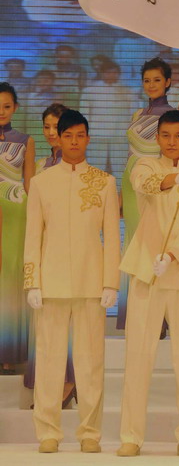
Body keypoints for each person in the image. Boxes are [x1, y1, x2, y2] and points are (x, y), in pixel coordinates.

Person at [117, 110, 179, 458]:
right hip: (146, 271)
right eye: (166, 136)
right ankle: (131, 436)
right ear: (157, 138)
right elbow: (141, 185)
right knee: (138, 355)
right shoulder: (145, 167)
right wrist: (174, 180)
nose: (172, 142)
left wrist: (172, 255)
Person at [23, 109, 121, 453]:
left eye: (81, 135)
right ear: (59, 139)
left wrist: (111, 283)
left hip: (92, 283)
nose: (75, 141)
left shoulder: (105, 181)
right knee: (49, 359)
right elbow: (32, 234)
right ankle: (48, 431)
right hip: (50, 284)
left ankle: (89, 432)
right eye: (69, 136)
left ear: (88, 139)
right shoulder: (41, 182)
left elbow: (112, 235)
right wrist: (32, 281)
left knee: (91, 362)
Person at [24, 103, 77, 409]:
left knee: (67, 319)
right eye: (46, 127)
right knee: (44, 322)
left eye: (57, 127)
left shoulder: (79, 166)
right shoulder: (41, 165)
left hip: (70, 252)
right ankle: (45, 383)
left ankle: (68, 381)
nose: (51, 133)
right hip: (43, 249)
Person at [117, 57, 175, 331]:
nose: (151, 85)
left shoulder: (172, 116)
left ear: (168, 82)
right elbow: (130, 154)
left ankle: (161, 317)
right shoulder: (136, 114)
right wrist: (120, 189)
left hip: (156, 183)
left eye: (157, 80)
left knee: (156, 243)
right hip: (131, 185)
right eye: (147, 80)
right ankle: (139, 314)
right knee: (135, 244)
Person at [0, 82, 35, 374]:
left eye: (7, 106)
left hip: (16, 210)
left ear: (16, 108)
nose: (1, 111)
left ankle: (10, 351)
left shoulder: (25, 140)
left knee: (11, 279)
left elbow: (29, 183)